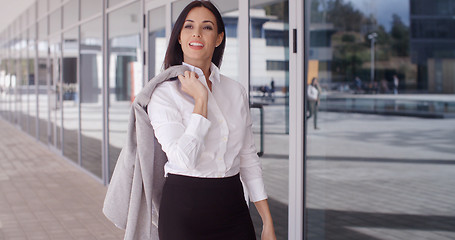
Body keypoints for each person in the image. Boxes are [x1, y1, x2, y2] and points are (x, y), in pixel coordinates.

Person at [147, 1, 276, 239]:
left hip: (233, 206)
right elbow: (185, 160)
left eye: (207, 27)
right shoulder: (163, 93)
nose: (196, 33)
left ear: (218, 38)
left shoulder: (235, 90)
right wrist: (201, 101)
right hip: (184, 210)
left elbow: (247, 157)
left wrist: (267, 220)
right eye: (188, 26)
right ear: (179, 37)